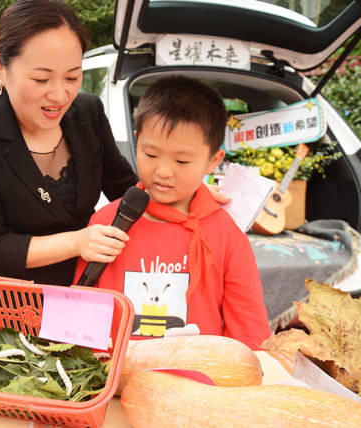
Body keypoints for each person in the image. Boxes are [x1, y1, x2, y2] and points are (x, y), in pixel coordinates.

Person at [0, 0, 228, 286]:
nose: (59, 95)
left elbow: (125, 188)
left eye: (72, 76)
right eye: (41, 79)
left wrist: (188, 194)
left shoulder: (87, 112)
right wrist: (77, 242)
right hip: (18, 305)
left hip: (93, 289)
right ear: (0, 66)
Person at [74, 76, 271, 349]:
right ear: (136, 141)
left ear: (214, 160)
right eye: (151, 155)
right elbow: (80, 314)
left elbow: (249, 331)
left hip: (201, 384)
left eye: (182, 161)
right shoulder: (107, 223)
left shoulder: (225, 233)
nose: (163, 171)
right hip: (116, 381)